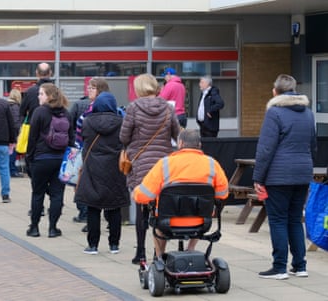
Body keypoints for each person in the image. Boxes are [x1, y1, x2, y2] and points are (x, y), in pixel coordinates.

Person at [253, 74, 317, 280]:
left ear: (275, 92)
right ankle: (300, 266)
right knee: (295, 220)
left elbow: (265, 149)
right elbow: (313, 145)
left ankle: (279, 267)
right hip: (303, 172)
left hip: (278, 176)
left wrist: (258, 178)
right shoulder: (308, 113)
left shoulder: (275, 113)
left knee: (278, 220)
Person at [133, 129, 229, 258]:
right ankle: (190, 249)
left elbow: (143, 196)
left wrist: (136, 192)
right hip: (201, 222)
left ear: (180, 143)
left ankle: (159, 257)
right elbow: (222, 194)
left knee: (158, 225)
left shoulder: (165, 164)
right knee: (201, 207)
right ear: (199, 145)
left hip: (168, 222)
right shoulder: (212, 164)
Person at [119, 73, 180, 264]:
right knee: (161, 210)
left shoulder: (133, 108)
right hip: (163, 166)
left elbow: (123, 137)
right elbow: (178, 134)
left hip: (141, 165)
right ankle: (158, 254)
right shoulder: (167, 108)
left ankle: (140, 253)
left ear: (139, 89)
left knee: (141, 208)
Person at [75, 92, 129, 255]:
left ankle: (93, 245)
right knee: (114, 207)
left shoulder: (87, 122)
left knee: (93, 207)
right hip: (115, 169)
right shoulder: (121, 122)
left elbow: (79, 141)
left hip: (93, 167)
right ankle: (114, 244)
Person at [25, 83, 74, 238]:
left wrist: (29, 158)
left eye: (41, 94)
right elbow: (71, 139)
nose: (38, 96)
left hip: (41, 158)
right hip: (60, 160)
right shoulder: (66, 113)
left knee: (38, 193)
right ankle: (53, 228)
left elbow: (32, 138)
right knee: (57, 194)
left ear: (50, 96)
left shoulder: (39, 112)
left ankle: (34, 227)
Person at [73, 77, 110, 229]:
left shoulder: (87, 116)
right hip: (103, 156)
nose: (89, 90)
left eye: (92, 88)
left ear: (101, 91)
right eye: (89, 87)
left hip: (93, 156)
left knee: (91, 188)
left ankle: (91, 218)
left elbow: (80, 137)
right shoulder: (115, 113)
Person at [7, 88, 23, 178]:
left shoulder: (7, 105)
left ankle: (9, 170)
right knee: (12, 153)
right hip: (13, 133)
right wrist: (18, 133)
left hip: (6, 132)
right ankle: (12, 170)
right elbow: (16, 122)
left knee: (8, 152)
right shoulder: (15, 106)